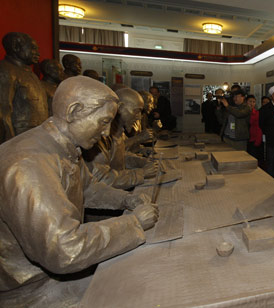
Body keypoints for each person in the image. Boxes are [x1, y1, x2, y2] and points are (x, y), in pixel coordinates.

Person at [0, 76, 158, 306]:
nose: (106, 133)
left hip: (51, 277)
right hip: (33, 289)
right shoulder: (28, 164)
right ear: (74, 111)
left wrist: (128, 200)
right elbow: (65, 249)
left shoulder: (62, 146)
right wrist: (133, 224)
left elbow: (89, 187)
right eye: (103, 122)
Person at [83, 87, 157, 190]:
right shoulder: (99, 137)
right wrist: (141, 173)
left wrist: (142, 162)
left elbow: (120, 157)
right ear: (120, 107)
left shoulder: (119, 132)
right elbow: (103, 179)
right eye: (136, 111)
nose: (139, 117)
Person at [0, 32, 48, 143]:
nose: (38, 53)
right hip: (20, 139)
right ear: (16, 47)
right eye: (33, 48)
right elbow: (3, 113)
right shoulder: (6, 71)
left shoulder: (30, 74)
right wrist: (10, 145)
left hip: (37, 137)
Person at [246, 94, 263, 163]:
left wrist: (258, 140)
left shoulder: (257, 113)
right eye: (250, 101)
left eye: (253, 102)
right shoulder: (242, 112)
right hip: (244, 138)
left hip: (253, 139)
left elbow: (259, 128)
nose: (252, 103)